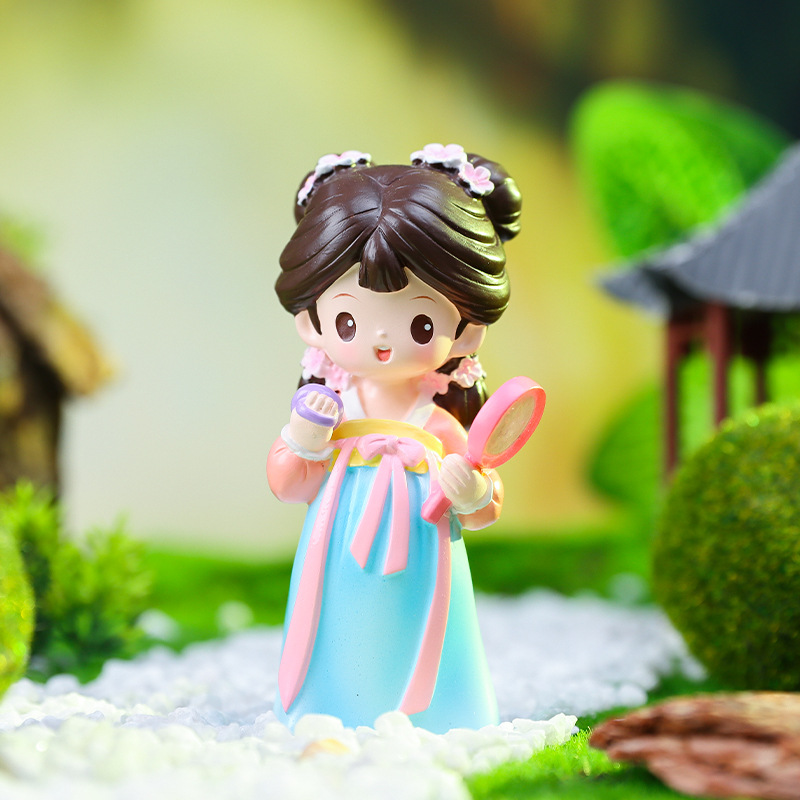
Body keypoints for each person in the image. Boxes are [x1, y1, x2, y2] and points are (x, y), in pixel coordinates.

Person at [267, 144, 523, 733]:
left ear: (466, 331)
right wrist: (303, 439)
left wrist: (471, 491)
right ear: (312, 323)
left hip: (424, 555)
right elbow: (287, 484)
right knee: (338, 625)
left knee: (418, 628)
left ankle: (437, 712)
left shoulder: (436, 423)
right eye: (350, 321)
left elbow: (485, 508)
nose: (382, 341)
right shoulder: (331, 413)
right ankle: (329, 704)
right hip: (336, 552)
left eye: (420, 323)